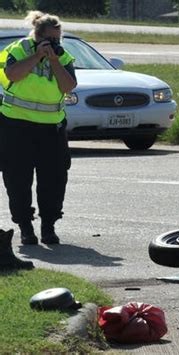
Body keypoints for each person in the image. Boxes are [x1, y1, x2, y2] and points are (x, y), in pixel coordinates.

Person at [0, 11, 76, 245]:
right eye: (50, 40)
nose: (54, 44)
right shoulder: (18, 50)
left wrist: (53, 59)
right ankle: (25, 227)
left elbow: (68, 86)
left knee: (54, 179)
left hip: (51, 128)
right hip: (16, 125)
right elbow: (12, 74)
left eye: (57, 40)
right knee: (18, 179)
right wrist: (37, 56)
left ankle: (48, 226)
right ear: (37, 35)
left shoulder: (62, 58)